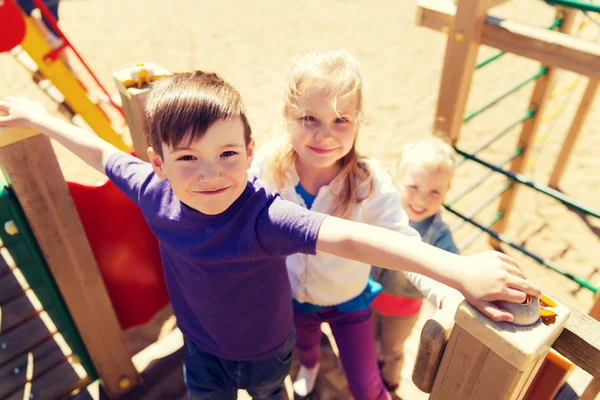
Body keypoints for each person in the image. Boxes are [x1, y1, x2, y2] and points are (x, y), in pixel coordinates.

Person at [0, 71, 540, 400]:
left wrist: (456, 270)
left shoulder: (264, 217)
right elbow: (101, 153)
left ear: (250, 149)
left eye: (227, 154)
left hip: (266, 351)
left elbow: (353, 239)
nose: (210, 173)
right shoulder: (151, 192)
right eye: (188, 159)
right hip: (201, 348)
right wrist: (39, 117)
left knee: (267, 393)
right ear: (157, 164)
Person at [250, 49, 528, 399]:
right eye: (309, 118)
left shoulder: (368, 183)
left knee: (368, 386)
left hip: (347, 301)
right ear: (287, 115)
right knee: (305, 347)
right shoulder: (267, 167)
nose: (325, 135)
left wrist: (445, 288)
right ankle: (310, 366)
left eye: (341, 121)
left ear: (357, 122)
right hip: (290, 296)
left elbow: (403, 239)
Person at [370, 135, 460, 392]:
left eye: (434, 192)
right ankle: (372, 366)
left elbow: (454, 262)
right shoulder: (384, 212)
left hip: (403, 308)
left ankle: (390, 380)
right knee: (369, 338)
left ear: (446, 191)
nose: (421, 201)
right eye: (413, 187)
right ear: (396, 179)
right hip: (369, 293)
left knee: (393, 348)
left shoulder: (438, 232)